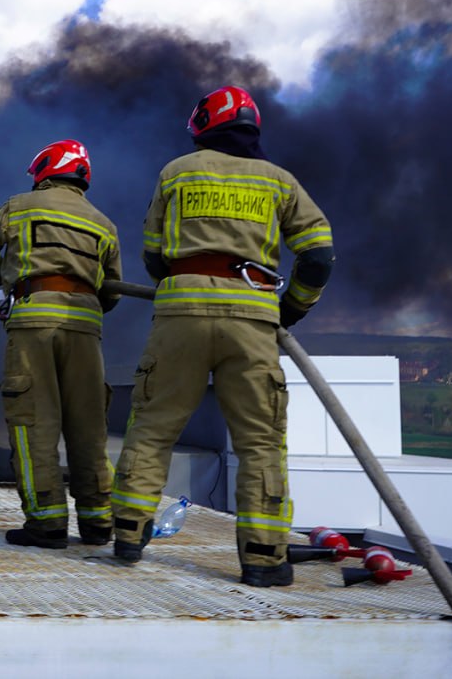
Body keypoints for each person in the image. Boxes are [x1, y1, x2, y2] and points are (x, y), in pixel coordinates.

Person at [111, 86, 334, 587]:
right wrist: (291, 308)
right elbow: (318, 255)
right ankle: (262, 558)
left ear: (203, 126)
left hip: (180, 315)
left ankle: (127, 534)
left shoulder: (177, 171)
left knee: (153, 426)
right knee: (260, 443)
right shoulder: (280, 181)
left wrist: (187, 274)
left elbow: (152, 253)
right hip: (252, 318)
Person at [0, 139, 123, 549]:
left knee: (35, 425)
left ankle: (47, 524)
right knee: (89, 428)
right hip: (86, 328)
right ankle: (98, 522)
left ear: (45, 170)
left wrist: (5, 276)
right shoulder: (104, 223)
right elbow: (113, 292)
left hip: (34, 321)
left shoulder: (21, 206)